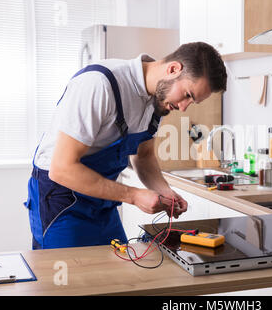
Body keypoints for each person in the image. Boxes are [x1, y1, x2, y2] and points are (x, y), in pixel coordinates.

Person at [24, 42, 228, 249]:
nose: (184, 108)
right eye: (187, 95)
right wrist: (134, 195)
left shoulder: (157, 100)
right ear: (173, 69)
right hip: (62, 200)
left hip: (102, 202)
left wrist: (164, 191)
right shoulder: (99, 84)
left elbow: (144, 156)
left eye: (192, 102)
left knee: (119, 271)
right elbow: (62, 169)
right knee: (67, 279)